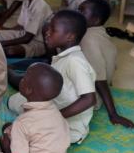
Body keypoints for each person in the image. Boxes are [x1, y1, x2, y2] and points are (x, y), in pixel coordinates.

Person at [8, 10, 96, 144]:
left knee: (15, 133)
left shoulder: (75, 62)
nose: (47, 32)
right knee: (14, 101)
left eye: (53, 30)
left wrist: (52, 117)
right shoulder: (65, 56)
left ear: (70, 37)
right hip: (53, 106)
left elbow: (89, 99)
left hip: (69, 125)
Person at [0, 63, 71, 153]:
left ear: (28, 90)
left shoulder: (23, 123)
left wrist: (6, 149)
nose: (21, 78)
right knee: (11, 129)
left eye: (24, 77)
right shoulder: (56, 114)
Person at [79, 0, 134, 128]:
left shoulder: (88, 39)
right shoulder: (98, 31)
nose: (77, 14)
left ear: (96, 20)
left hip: (89, 97)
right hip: (93, 90)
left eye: (82, 11)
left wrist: (113, 114)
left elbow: (100, 79)